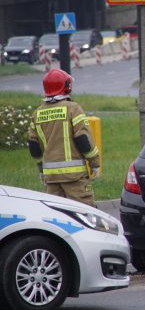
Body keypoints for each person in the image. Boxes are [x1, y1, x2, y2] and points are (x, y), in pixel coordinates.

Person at [28, 69, 100, 207]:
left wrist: (41, 169)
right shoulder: (72, 108)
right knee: (85, 213)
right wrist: (94, 163)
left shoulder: (37, 114)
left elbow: (33, 146)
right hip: (75, 178)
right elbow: (83, 139)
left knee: (56, 216)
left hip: (51, 178)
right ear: (67, 86)